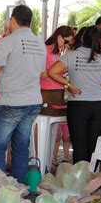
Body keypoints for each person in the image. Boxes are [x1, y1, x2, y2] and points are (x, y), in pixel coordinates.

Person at [48, 25, 101, 163]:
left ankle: (81, 181)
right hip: (100, 105)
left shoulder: (72, 55)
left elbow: (52, 71)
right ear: (100, 40)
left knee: (79, 147)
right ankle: (93, 179)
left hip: (78, 105)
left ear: (83, 37)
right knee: (94, 146)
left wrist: (68, 85)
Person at [0, 4, 46, 183]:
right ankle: (19, 188)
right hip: (34, 100)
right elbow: (42, 72)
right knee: (21, 146)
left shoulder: (8, 41)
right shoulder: (39, 43)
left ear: (13, 20)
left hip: (11, 101)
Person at [39, 26, 74, 166]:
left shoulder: (58, 53)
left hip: (59, 94)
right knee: (44, 130)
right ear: (59, 36)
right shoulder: (44, 50)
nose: (66, 45)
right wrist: (54, 71)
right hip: (46, 94)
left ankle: (47, 163)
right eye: (65, 41)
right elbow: (39, 75)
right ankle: (42, 163)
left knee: (55, 132)